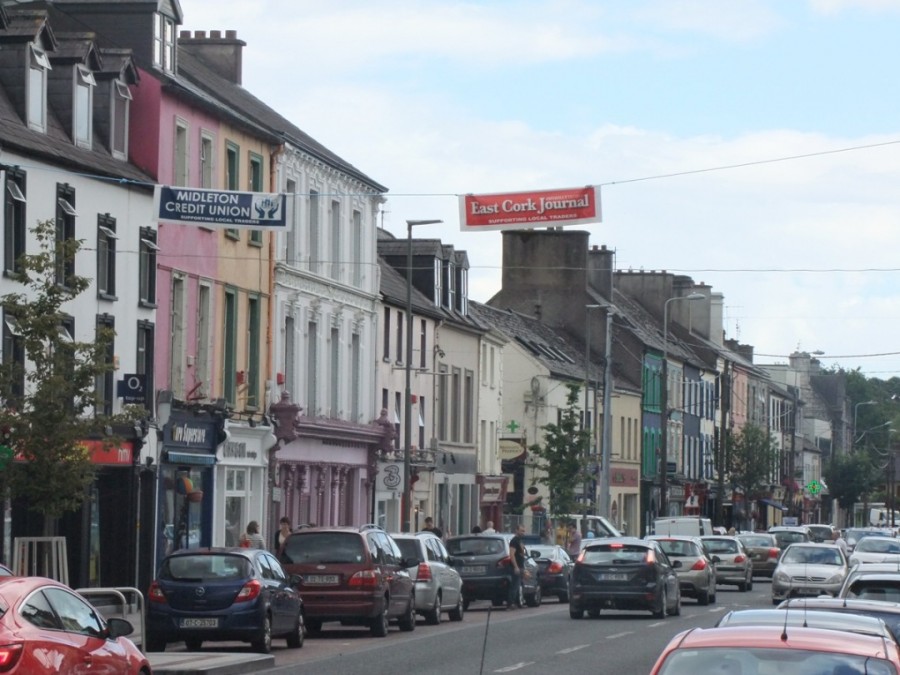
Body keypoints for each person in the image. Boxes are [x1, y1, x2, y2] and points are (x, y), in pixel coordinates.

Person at [507, 524, 527, 609]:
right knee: (515, 585)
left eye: (523, 531)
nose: (523, 533)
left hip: (520, 566)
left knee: (519, 585)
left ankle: (519, 602)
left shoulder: (520, 541)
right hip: (516, 566)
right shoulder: (514, 541)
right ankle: (510, 603)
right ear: (517, 530)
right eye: (521, 531)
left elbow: (522, 553)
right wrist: (515, 567)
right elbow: (512, 554)